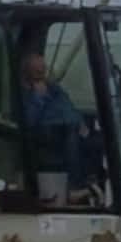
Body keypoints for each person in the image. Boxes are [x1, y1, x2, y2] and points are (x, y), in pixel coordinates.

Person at [20, 51, 89, 205]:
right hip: (43, 133)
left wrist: (80, 122)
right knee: (70, 135)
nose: (41, 72)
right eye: (37, 70)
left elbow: (68, 106)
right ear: (28, 71)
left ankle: (93, 184)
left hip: (66, 127)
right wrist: (39, 98)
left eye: (43, 68)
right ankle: (74, 187)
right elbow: (29, 120)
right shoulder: (25, 93)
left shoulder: (54, 88)